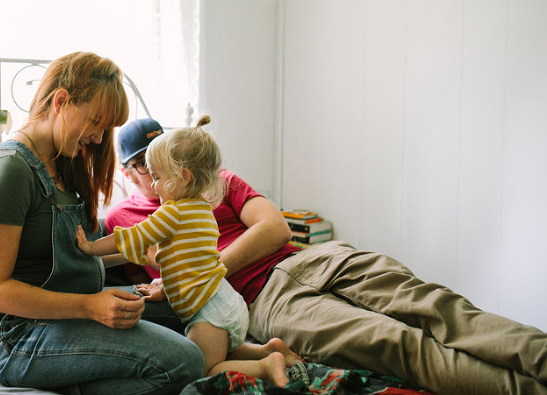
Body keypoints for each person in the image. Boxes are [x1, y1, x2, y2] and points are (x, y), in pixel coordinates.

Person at [105, 117, 547, 395]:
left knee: (438, 307)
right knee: (397, 345)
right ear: (127, 171)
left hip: (310, 258)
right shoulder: (125, 217)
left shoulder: (215, 179)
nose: (158, 173)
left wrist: (210, 267)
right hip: (263, 301)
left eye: (163, 158)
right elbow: (149, 269)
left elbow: (274, 226)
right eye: (144, 164)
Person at [0, 53, 204, 395]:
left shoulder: (63, 161)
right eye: (96, 123)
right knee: (185, 360)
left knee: (191, 303)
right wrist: (90, 307)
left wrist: (145, 255)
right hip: (20, 334)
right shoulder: (10, 170)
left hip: (73, 307)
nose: (99, 139)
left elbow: (75, 253)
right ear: (61, 102)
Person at [77, 116, 300, 388]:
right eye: (147, 170)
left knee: (202, 367)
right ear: (128, 171)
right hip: (225, 301)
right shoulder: (202, 206)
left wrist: (89, 248)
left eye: (158, 175)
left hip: (209, 309)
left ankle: (265, 366)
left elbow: (131, 239)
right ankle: (268, 349)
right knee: (223, 350)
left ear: (183, 175)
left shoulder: (170, 212)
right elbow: (180, 258)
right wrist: (166, 286)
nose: (155, 183)